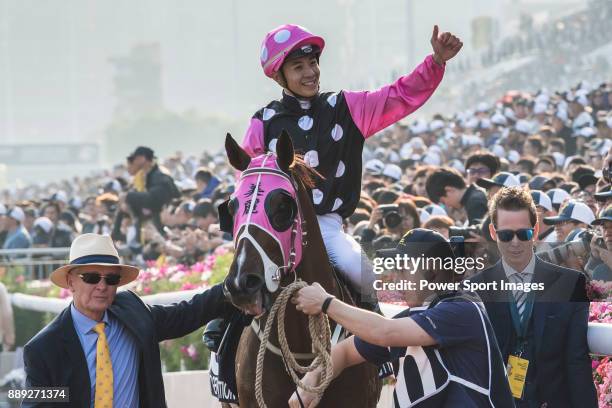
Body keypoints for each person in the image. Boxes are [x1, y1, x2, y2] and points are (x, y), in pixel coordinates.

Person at [240, 23, 462, 301]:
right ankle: (222, 335)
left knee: (365, 277)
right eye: (298, 67)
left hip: (327, 227)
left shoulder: (347, 107)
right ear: (279, 77)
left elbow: (400, 94)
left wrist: (436, 62)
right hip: (277, 228)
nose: (310, 72)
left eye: (312, 63)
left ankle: (384, 338)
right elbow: (249, 183)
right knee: (240, 280)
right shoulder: (263, 121)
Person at [289, 229, 514, 407]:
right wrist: (312, 380)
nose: (395, 277)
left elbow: (384, 332)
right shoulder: (417, 317)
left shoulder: (463, 309)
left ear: (434, 271)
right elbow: (344, 352)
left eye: (404, 268)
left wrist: (326, 303)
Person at [22, 233, 237, 408]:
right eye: (91, 277)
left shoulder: (132, 312)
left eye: (111, 279)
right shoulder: (43, 349)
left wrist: (232, 286)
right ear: (70, 282)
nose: (102, 286)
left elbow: (185, 314)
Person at [470, 187, 597, 407]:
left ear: (536, 230)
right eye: (506, 235)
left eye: (524, 233)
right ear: (493, 232)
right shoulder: (476, 288)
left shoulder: (570, 283)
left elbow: (577, 362)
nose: (515, 242)